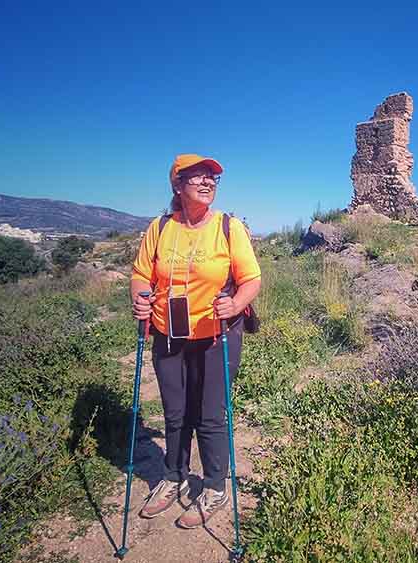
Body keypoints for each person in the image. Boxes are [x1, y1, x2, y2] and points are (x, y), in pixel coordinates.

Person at [130, 154, 261, 528]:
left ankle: (215, 485)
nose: (208, 183)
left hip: (217, 334)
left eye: (213, 178)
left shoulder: (227, 227)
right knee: (174, 411)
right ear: (177, 185)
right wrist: (140, 298)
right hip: (168, 332)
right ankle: (172, 477)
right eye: (198, 177)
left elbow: (251, 278)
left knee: (209, 413)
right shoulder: (159, 227)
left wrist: (235, 303)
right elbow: (140, 274)